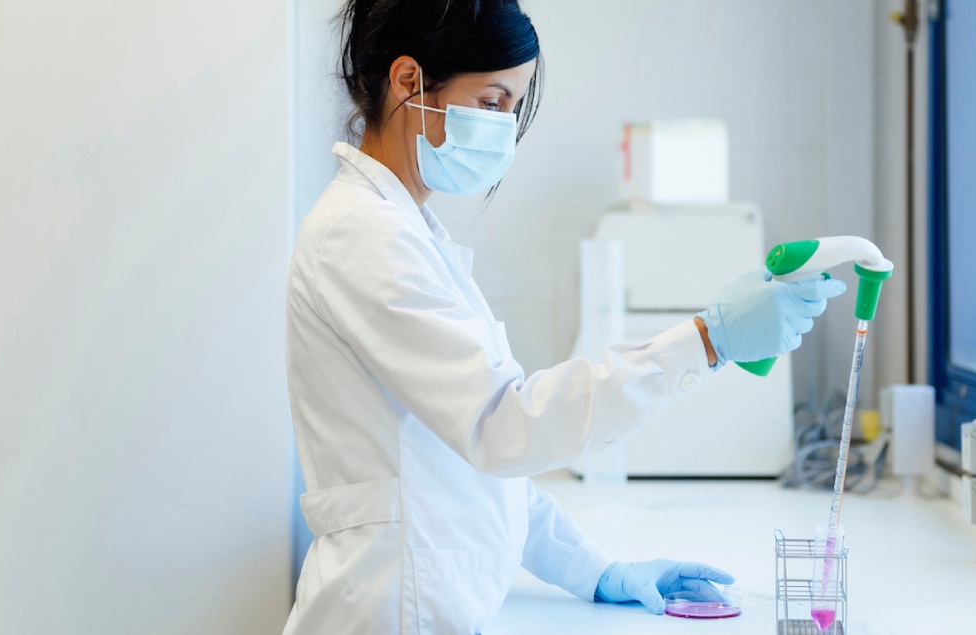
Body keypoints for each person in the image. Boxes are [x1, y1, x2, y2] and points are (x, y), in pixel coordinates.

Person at [281, 1, 845, 633]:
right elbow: (503, 427)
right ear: (409, 81)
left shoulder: (408, 232)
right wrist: (706, 342)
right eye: (493, 101)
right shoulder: (364, 234)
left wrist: (596, 570)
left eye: (513, 109)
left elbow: (478, 468)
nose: (505, 127)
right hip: (388, 610)